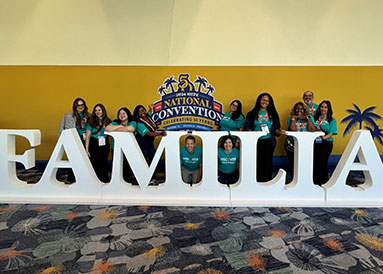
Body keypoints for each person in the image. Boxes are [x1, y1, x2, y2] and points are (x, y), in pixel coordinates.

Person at [244, 93, 285, 182]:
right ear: (259, 100)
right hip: (256, 141)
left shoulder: (273, 113)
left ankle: (267, 180)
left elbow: (277, 128)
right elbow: (246, 127)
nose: (264, 102)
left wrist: (279, 131)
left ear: (269, 102)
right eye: (263, 100)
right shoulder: (252, 113)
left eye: (267, 101)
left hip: (269, 141)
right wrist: (251, 132)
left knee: (267, 162)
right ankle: (256, 180)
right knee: (256, 161)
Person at [58, 98, 91, 183]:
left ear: (85, 106)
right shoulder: (68, 116)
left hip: (85, 139)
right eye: (78, 105)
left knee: (85, 159)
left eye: (82, 105)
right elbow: (62, 128)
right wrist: (61, 141)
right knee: (75, 159)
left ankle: (83, 178)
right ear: (75, 106)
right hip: (74, 138)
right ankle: (71, 178)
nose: (80, 107)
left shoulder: (89, 116)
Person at [133, 104, 166, 183]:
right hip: (142, 145)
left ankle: (153, 178)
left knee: (153, 161)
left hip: (150, 143)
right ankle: (143, 180)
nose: (142, 113)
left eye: (143, 110)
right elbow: (149, 133)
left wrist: (150, 108)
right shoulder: (139, 123)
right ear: (137, 114)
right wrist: (160, 133)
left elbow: (149, 113)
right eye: (139, 112)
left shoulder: (148, 116)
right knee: (144, 162)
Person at [285, 102, 316, 182]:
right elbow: (292, 130)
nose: (299, 110)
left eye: (301, 109)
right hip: (292, 145)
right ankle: (293, 180)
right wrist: (293, 119)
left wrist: (308, 118)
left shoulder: (310, 117)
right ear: (294, 110)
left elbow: (312, 130)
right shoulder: (290, 118)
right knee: (293, 163)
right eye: (297, 109)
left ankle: (304, 181)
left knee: (305, 164)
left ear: (304, 110)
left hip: (305, 145)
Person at [105, 107, 136, 183]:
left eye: (123, 113)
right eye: (120, 114)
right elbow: (106, 128)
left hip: (128, 149)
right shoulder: (115, 122)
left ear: (128, 114)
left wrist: (115, 129)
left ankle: (128, 182)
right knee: (116, 167)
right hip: (115, 148)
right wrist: (120, 126)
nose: (121, 115)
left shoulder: (133, 122)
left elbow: (130, 129)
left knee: (127, 166)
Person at [85, 104, 112, 183]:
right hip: (94, 144)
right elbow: (88, 137)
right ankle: (94, 182)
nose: (98, 112)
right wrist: (87, 150)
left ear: (103, 110)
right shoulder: (91, 121)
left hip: (104, 144)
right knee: (94, 163)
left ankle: (104, 181)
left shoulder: (108, 120)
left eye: (99, 110)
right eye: (96, 110)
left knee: (103, 163)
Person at [313, 100, 337, 186]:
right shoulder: (315, 118)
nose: (323, 109)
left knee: (322, 162)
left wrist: (322, 138)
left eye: (325, 107)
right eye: (322, 107)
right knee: (315, 162)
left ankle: (323, 182)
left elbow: (331, 133)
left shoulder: (331, 120)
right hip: (315, 143)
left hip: (326, 143)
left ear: (328, 109)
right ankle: (315, 181)